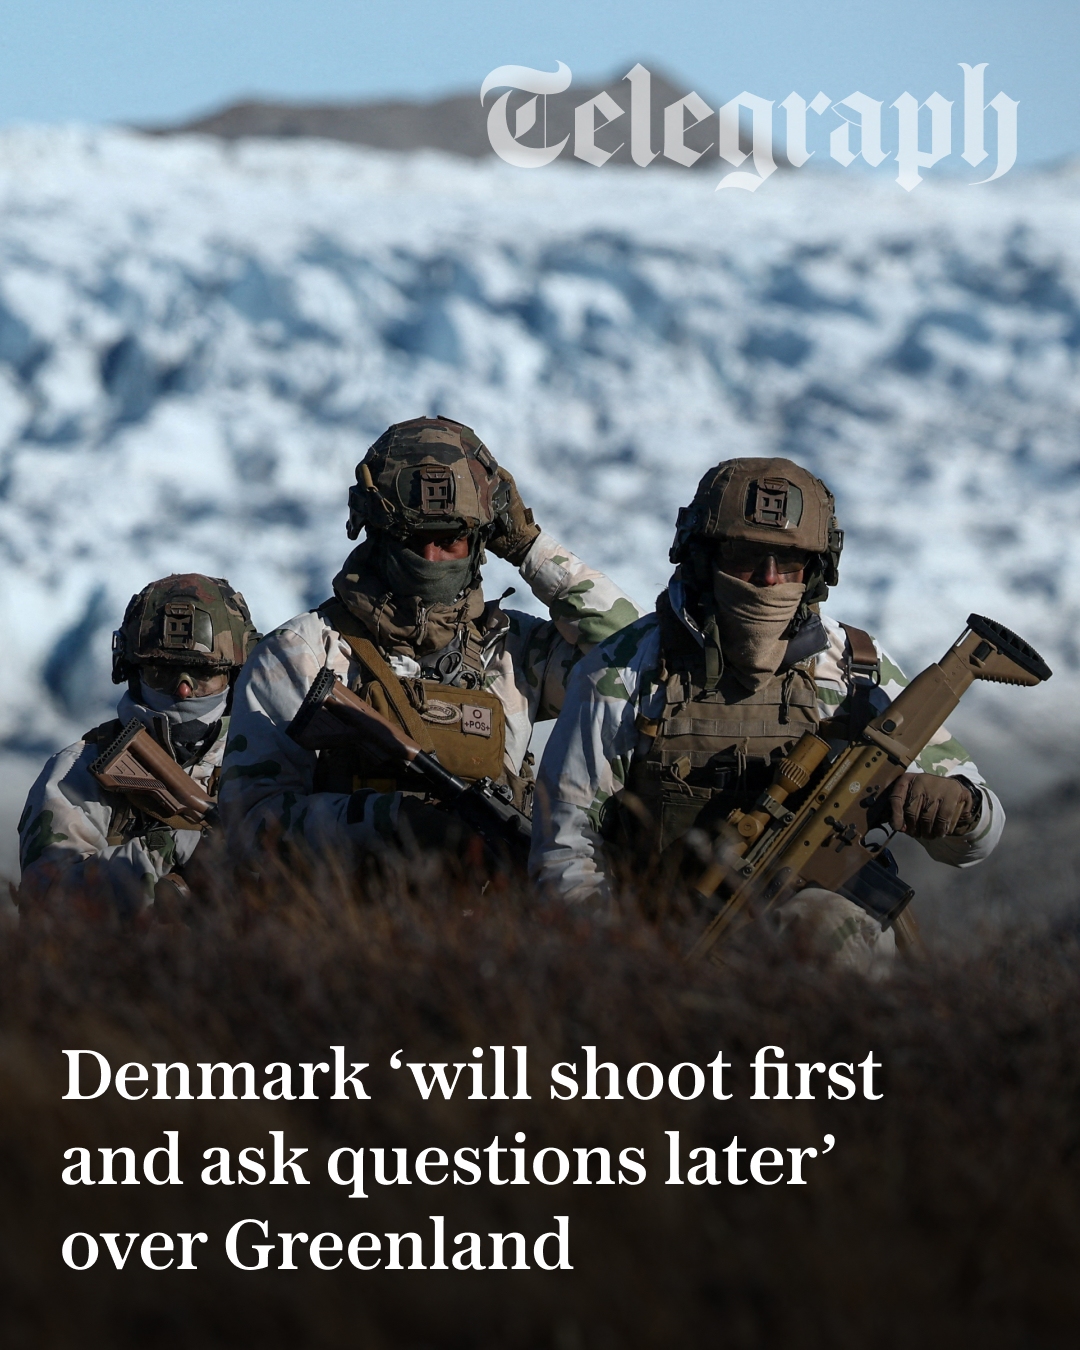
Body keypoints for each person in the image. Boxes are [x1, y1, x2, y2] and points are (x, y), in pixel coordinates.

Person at [530, 457, 1004, 970]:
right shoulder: (626, 670)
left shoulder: (854, 672)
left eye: (790, 561)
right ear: (703, 557)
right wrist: (623, 965)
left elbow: (978, 839)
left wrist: (960, 806)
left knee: (824, 924)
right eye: (745, 556)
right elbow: (566, 850)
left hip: (831, 967)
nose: (769, 578)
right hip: (670, 952)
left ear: (816, 571)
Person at [219, 415, 642, 861]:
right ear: (376, 534)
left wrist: (529, 547)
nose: (430, 558)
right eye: (411, 538)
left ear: (481, 542)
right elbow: (249, 824)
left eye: (449, 540)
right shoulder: (302, 653)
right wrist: (388, 821)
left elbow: (635, 659)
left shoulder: (514, 651)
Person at [18, 574, 258, 914]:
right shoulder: (77, 771)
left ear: (234, 675)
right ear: (132, 670)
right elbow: (46, 905)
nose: (184, 690)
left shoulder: (269, 760)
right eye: (163, 671)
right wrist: (164, 850)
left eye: (204, 673)